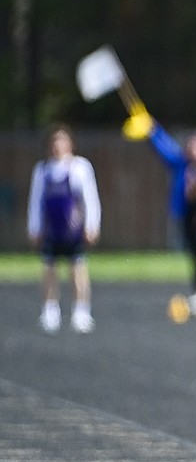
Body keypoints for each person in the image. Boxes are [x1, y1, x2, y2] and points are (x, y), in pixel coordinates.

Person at [27, 125, 102, 334]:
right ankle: (50, 311)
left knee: (77, 269)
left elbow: (90, 198)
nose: (58, 146)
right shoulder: (42, 169)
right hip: (51, 229)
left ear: (70, 143)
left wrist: (92, 225)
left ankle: (81, 312)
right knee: (49, 269)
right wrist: (34, 227)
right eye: (54, 141)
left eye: (62, 141)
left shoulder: (80, 167)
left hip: (73, 229)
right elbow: (35, 200)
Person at [146, 124, 196, 294]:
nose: (195, 149)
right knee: (194, 252)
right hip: (187, 214)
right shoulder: (181, 164)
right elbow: (165, 148)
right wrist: (151, 129)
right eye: (192, 145)